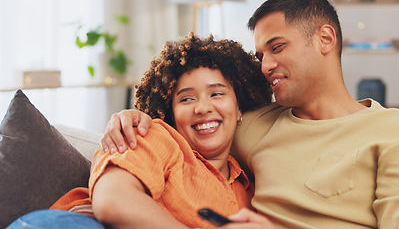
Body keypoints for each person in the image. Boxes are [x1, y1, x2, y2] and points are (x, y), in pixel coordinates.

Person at [102, 0, 399, 229]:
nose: (266, 66)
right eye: (261, 55)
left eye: (277, 47)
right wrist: (138, 117)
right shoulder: (253, 125)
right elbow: (195, 129)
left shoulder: (397, 132)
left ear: (326, 39)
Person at [7, 33, 273, 229]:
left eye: (217, 93)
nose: (203, 108)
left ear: (240, 107)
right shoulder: (155, 136)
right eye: (186, 99)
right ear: (171, 114)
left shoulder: (247, 188)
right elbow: (114, 203)